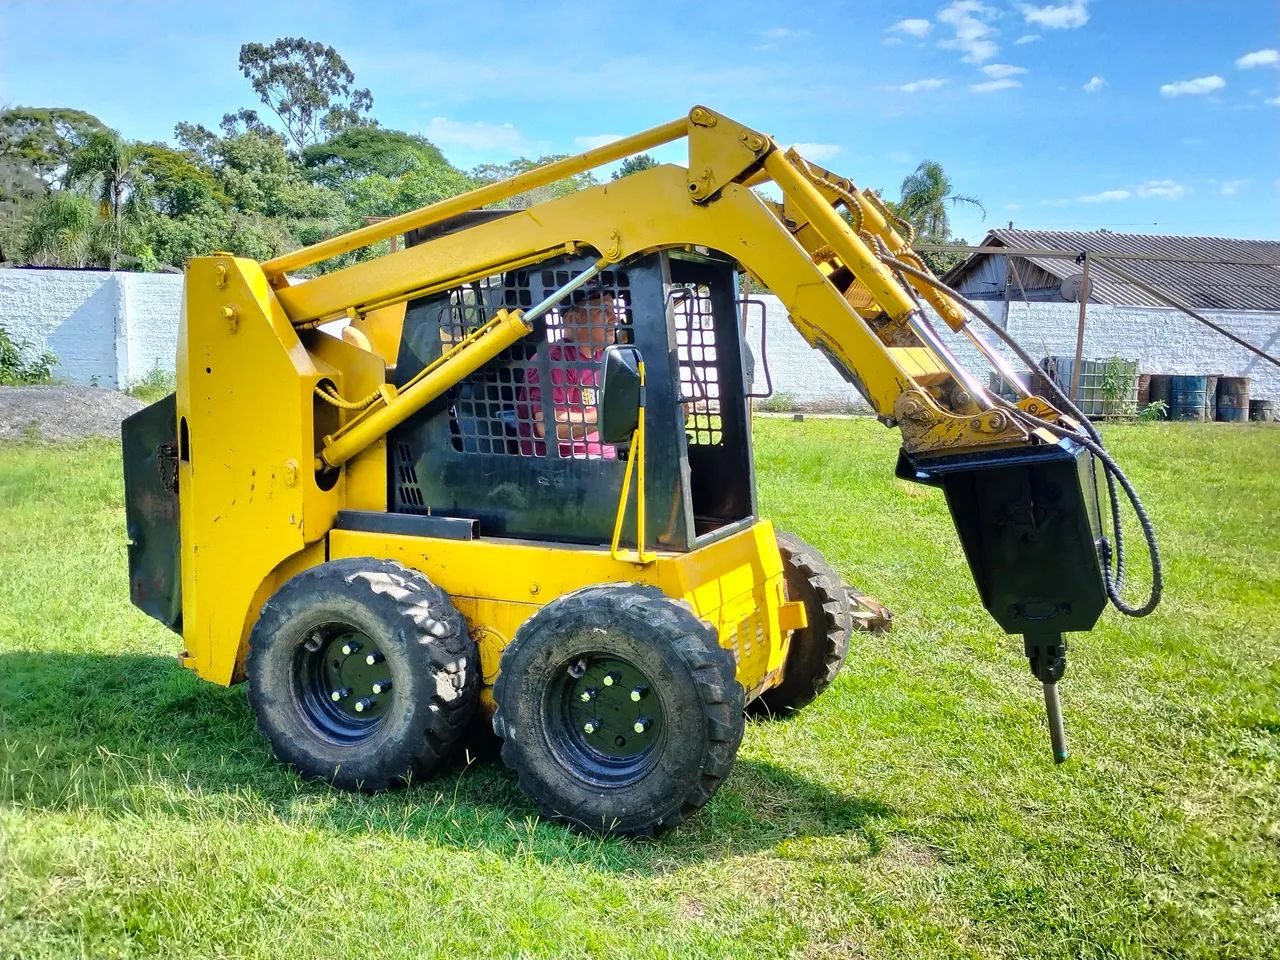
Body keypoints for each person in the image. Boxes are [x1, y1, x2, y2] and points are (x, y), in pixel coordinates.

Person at [518, 286, 620, 459]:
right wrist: (612, 415)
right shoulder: (554, 361)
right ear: (573, 318)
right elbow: (549, 426)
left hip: (604, 460)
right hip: (564, 465)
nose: (614, 318)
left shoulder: (602, 358)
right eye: (604, 310)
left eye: (613, 310)